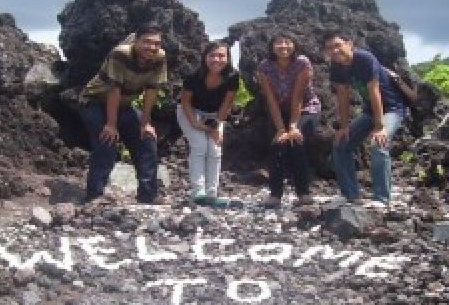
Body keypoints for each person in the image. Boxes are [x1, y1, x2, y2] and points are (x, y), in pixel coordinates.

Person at [323, 29, 416, 206]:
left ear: (349, 44)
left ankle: (382, 198)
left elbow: (375, 92)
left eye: (338, 45)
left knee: (378, 143)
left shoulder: (364, 59)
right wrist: (344, 127)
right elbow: (343, 97)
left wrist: (380, 127)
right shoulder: (336, 67)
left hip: (392, 109)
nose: (335, 51)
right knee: (341, 144)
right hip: (369, 111)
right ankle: (351, 195)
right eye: (329, 48)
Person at [79, 27, 168, 204]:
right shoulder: (120, 54)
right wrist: (111, 124)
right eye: (147, 42)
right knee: (107, 143)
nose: (152, 47)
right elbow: (114, 89)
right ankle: (94, 196)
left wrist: (145, 123)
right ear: (136, 41)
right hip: (94, 101)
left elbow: (152, 90)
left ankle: (147, 197)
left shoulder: (159, 58)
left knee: (147, 140)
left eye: (156, 43)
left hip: (124, 105)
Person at [255, 32, 320, 207]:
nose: (283, 46)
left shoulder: (302, 63)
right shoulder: (265, 66)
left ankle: (303, 193)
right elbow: (271, 100)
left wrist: (293, 126)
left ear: (294, 45)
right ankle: (275, 194)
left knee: (296, 141)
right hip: (280, 110)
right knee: (277, 144)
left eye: (287, 42)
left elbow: (298, 96)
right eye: (278, 42)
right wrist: (280, 129)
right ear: (272, 46)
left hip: (306, 108)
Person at [177, 40, 240, 207]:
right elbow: (185, 102)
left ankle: (212, 194)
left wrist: (215, 126)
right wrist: (195, 124)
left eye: (221, 56)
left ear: (228, 58)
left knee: (215, 149)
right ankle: (198, 190)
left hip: (214, 114)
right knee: (199, 145)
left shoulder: (232, 76)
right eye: (212, 55)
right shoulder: (193, 75)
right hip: (190, 111)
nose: (216, 59)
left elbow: (226, 104)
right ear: (205, 57)